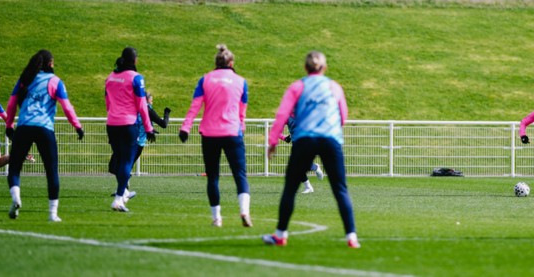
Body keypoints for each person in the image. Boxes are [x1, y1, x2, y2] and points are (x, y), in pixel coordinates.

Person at [263, 51, 360, 249]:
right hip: (330, 139)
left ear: (306, 68)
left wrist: (273, 142)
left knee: (290, 188)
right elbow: (343, 114)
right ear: (324, 68)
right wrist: (333, 131)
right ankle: (351, 237)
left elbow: (282, 115)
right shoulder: (334, 86)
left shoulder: (297, 86)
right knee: (340, 189)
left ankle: (280, 234)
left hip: (305, 139)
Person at [4, 49, 84, 222]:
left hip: (24, 126)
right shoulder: (55, 81)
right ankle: (52, 214)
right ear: (50, 63)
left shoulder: (25, 79)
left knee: (15, 168)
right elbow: (67, 107)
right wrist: (77, 126)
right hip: (44, 128)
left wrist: (9, 125)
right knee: (51, 171)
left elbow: (11, 104)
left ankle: (16, 197)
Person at [179, 44, 251, 228]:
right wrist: (241, 127)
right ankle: (244, 211)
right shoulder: (241, 81)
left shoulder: (205, 80)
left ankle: (217, 218)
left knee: (213, 177)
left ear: (216, 63)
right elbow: (242, 111)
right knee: (240, 175)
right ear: (232, 62)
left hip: (210, 134)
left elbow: (195, 106)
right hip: (232, 132)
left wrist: (185, 127)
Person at [104, 47, 156, 212]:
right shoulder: (136, 78)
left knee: (119, 159)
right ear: (135, 60)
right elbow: (142, 105)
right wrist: (149, 128)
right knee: (127, 161)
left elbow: (107, 103)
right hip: (127, 124)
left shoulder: (110, 78)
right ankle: (120, 198)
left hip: (111, 123)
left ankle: (124, 191)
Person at [119, 92, 172, 198]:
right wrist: (167, 113)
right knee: (125, 166)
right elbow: (164, 124)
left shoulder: (135, 108)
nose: (152, 102)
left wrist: (151, 130)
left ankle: (123, 189)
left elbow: (140, 122)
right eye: (151, 100)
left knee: (125, 164)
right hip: (138, 142)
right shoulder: (147, 109)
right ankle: (123, 191)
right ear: (147, 100)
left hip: (129, 139)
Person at [280, 117, 325, 194]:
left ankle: (314, 169)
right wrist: (284, 138)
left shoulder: (305, 111)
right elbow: (277, 130)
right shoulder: (287, 116)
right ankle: (310, 182)